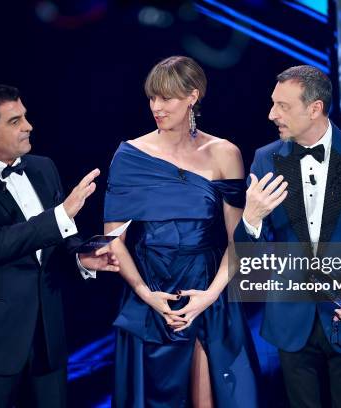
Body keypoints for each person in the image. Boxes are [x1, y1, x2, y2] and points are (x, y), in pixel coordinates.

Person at [0, 83, 119, 407]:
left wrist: (82, 258)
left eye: (26, 117)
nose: (28, 126)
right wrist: (61, 213)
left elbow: (63, 238)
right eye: (14, 121)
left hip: (47, 338)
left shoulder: (43, 167)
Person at [234, 65, 341, 408]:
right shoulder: (265, 160)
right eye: (272, 104)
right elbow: (251, 252)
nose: (271, 114)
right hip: (290, 320)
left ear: (314, 108)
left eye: (283, 106)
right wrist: (250, 220)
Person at [104, 56, 260, 407]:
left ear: (193, 96)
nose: (156, 108)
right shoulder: (129, 156)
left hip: (207, 289)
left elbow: (240, 239)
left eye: (166, 98)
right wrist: (146, 294)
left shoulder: (223, 153)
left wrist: (211, 295)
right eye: (152, 98)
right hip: (151, 290)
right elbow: (115, 242)